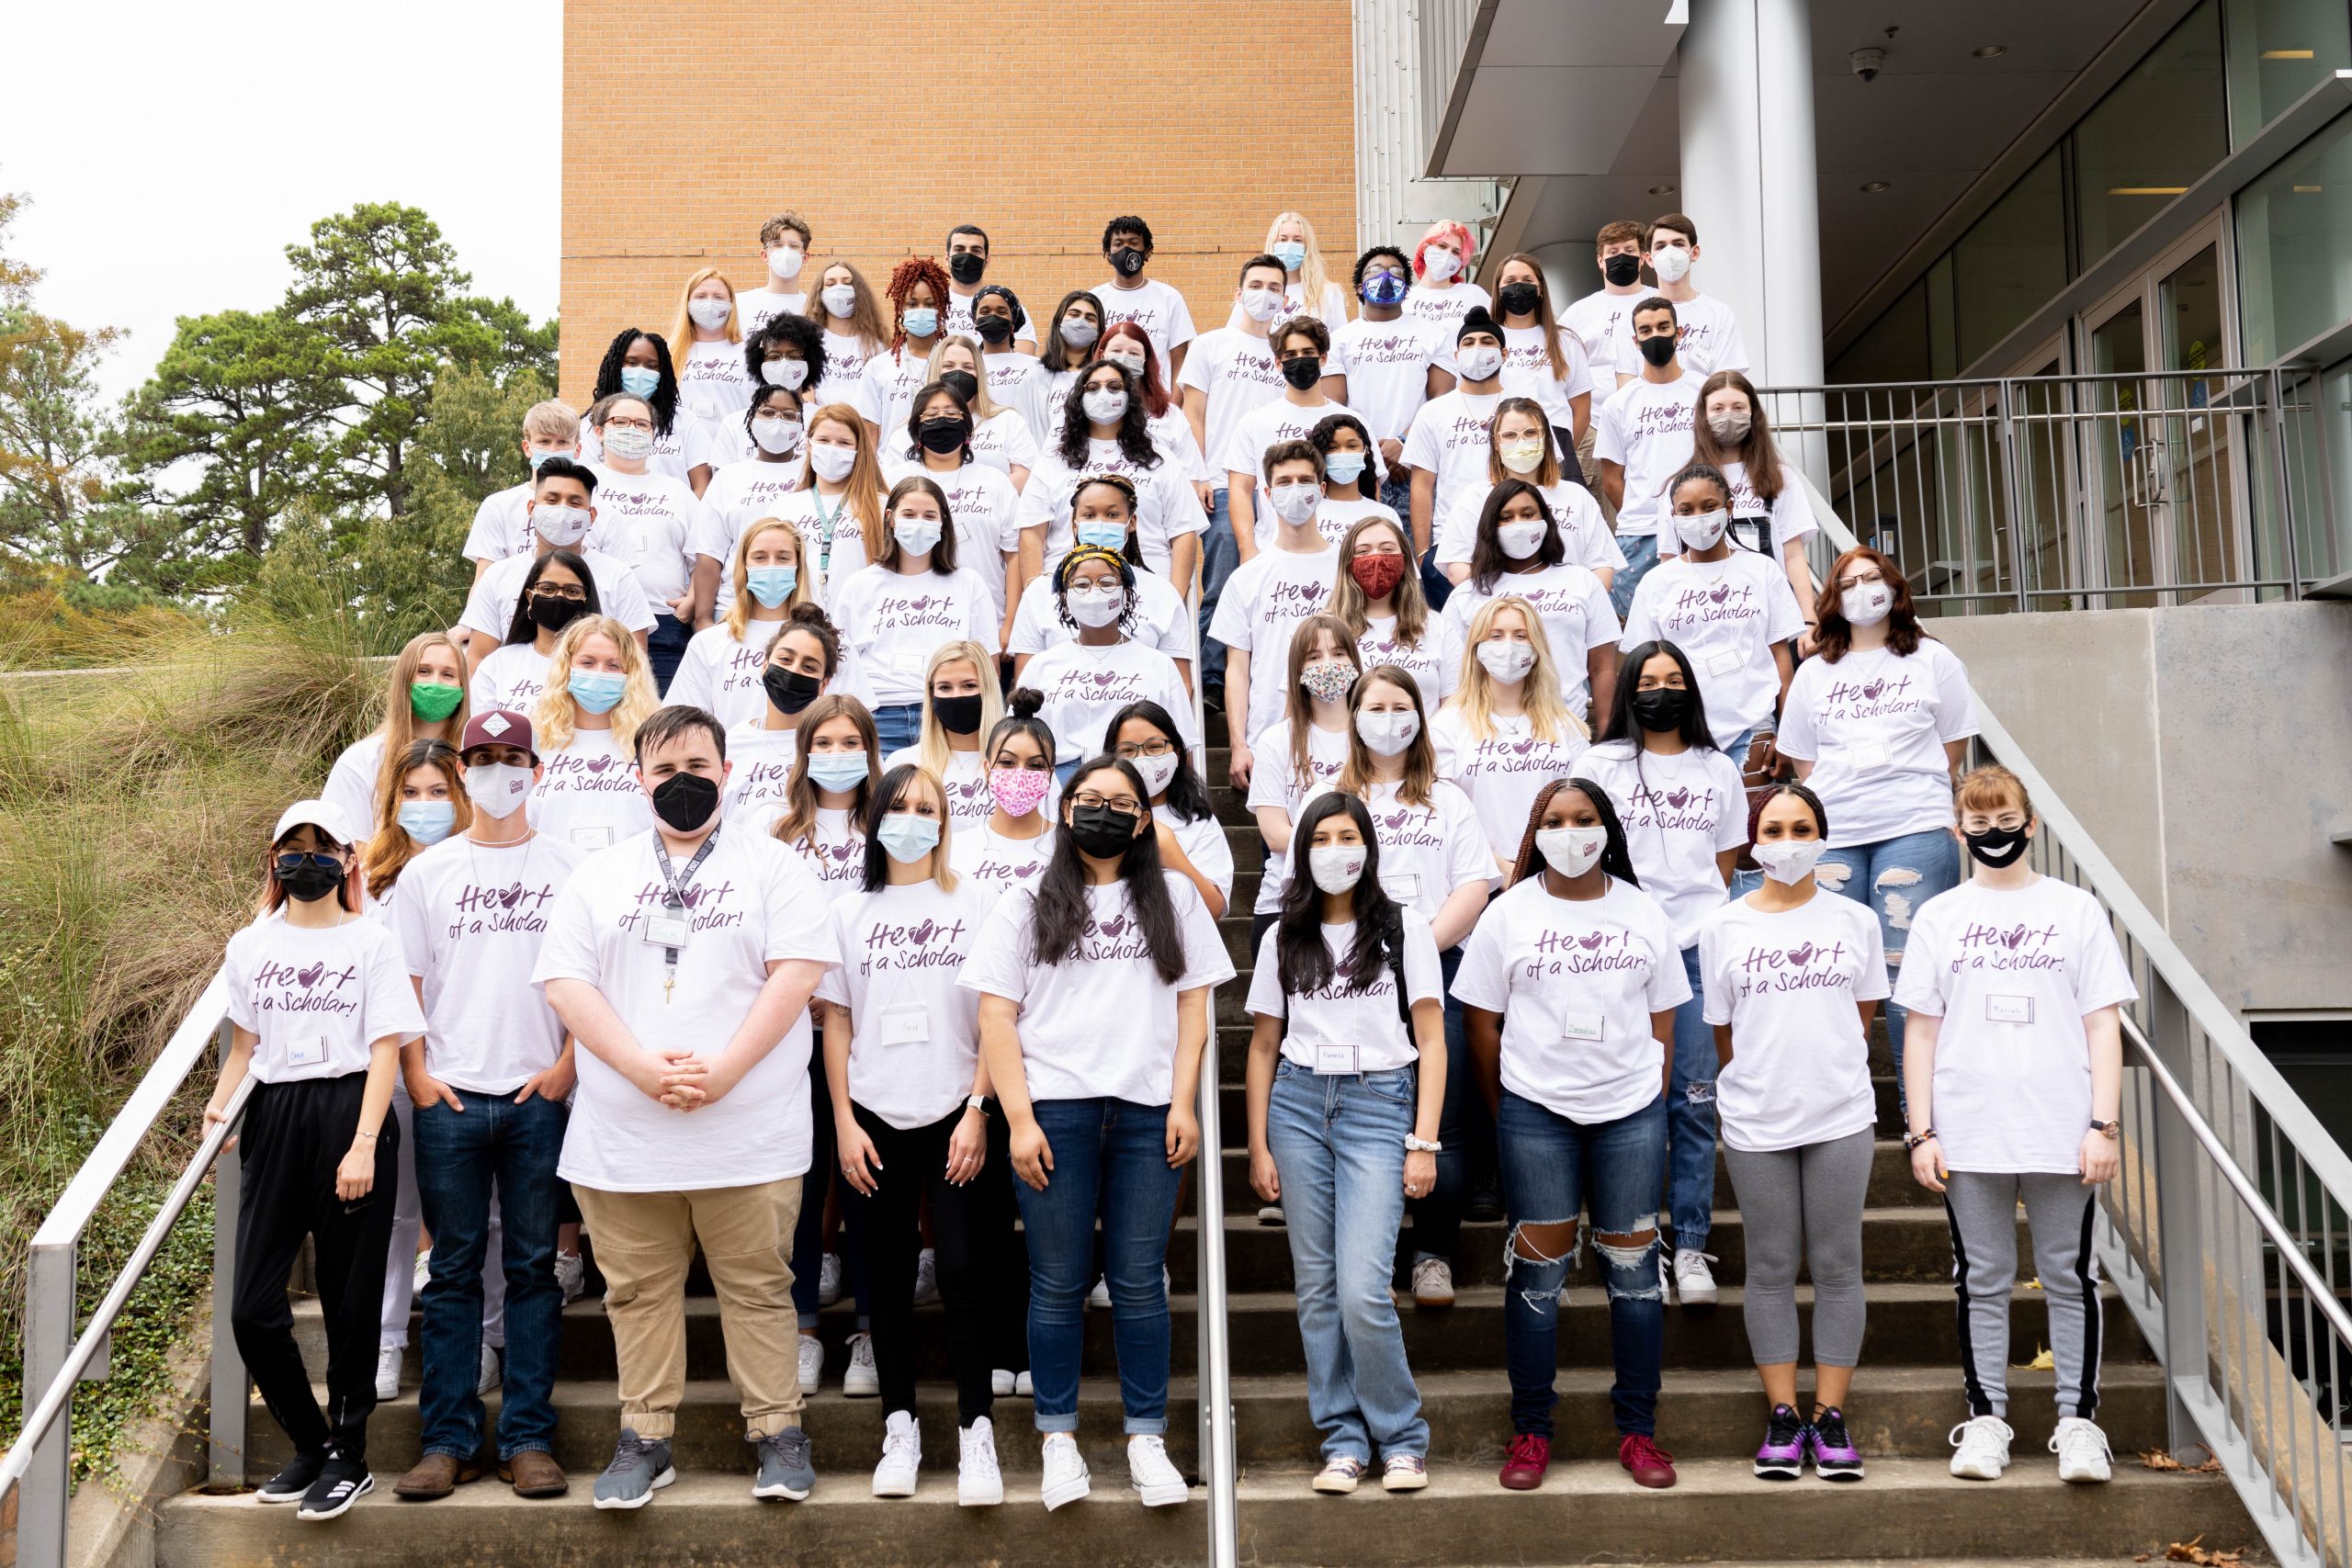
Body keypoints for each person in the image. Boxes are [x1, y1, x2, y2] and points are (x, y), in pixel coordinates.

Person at [535, 705, 838, 1508]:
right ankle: (646, 1437)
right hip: (625, 1136)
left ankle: (777, 1431)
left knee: (759, 1289)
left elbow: (797, 973)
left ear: (728, 772)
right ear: (639, 779)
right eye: (665, 770)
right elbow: (566, 982)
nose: (682, 783)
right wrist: (640, 1067)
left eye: (698, 767)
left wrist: (727, 1070)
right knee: (635, 1292)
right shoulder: (598, 876)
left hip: (752, 1132)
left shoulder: (776, 867)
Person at [963, 753, 1234, 1509]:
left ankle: (1145, 1438)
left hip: (1149, 1113)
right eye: (1088, 798)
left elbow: (1192, 1011)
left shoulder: (1176, 897)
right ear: (1064, 809)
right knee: (1056, 1282)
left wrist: (1183, 1103)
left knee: (1140, 1282)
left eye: (1120, 801)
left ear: (1144, 817)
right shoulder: (1024, 901)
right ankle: (1058, 1440)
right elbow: (995, 1016)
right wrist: (1016, 1118)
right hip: (1057, 1112)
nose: (1103, 811)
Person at [1896, 764, 2134, 1486]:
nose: (1994, 835)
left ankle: (2079, 1422)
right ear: (1958, 831)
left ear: (2031, 826)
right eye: (1979, 824)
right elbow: (1920, 1034)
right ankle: (1987, 1419)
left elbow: (2103, 1024)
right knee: (1982, 1277)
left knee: (2071, 1274)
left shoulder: (2076, 910)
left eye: (2007, 823)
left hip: (2063, 1128)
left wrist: (2104, 1123)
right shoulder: (1939, 916)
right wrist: (1921, 1131)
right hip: (1969, 1130)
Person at [1453, 777, 1687, 1494]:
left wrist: (1643, 1089)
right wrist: (1512, 1107)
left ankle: (1639, 1431)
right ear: (1536, 830)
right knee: (1537, 1277)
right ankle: (1531, 1430)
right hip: (1536, 1115)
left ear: (1607, 828)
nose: (1570, 830)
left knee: (1635, 1275)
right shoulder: (1507, 913)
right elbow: (1481, 1022)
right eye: (1554, 820)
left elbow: (1665, 1022)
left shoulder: (1643, 910)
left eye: (1584, 818)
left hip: (1629, 1115)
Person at [206, 798, 424, 1521]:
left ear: (349, 859)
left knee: (350, 1298)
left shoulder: (373, 941)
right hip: (275, 1116)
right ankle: (310, 1438)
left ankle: (350, 1455)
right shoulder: (250, 944)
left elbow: (388, 1045)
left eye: (321, 846)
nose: (307, 859)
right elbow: (244, 1047)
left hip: (349, 1109)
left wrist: (364, 1142)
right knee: (251, 1308)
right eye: (292, 848)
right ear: (274, 861)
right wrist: (220, 1104)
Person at [389, 709, 582, 1505]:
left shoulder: (571, 868)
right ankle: (449, 1439)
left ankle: (529, 1437)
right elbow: (400, 985)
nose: (498, 769)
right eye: (484, 757)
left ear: (534, 770)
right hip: (452, 1098)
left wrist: (569, 1065)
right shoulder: (428, 874)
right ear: (461, 770)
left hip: (538, 1093)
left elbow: (590, 980)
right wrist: (420, 1075)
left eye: (513, 756)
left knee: (535, 1271)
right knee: (456, 1270)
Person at [1243, 792, 1444, 1495]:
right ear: (1302, 850)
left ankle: (1401, 1436)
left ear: (1368, 845)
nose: (1334, 848)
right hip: (1298, 1105)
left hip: (1379, 1103)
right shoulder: (1280, 935)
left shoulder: (1401, 927)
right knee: (1317, 1289)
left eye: (1347, 834)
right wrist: (1258, 1144)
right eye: (1320, 837)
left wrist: (1424, 1141)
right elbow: (1263, 1044)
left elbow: (1432, 1039)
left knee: (1363, 1288)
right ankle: (1343, 1437)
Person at [819, 761, 1008, 1505]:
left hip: (956, 1112)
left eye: (927, 807)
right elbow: (837, 1019)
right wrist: (840, 1120)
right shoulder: (846, 912)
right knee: (884, 1279)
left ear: (944, 820)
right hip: (871, 1115)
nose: (913, 820)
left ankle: (976, 1436)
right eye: (898, 807)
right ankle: (900, 1426)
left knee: (961, 1270)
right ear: (872, 820)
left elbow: (998, 1012)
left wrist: (979, 1109)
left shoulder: (977, 901)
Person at [1697, 783, 1885, 1483]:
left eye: (1801, 826)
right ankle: (1783, 1416)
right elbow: (1724, 1028)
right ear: (1752, 840)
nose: (1787, 839)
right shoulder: (1724, 927)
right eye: (1772, 828)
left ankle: (1830, 1417)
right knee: (1771, 1265)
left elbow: (1861, 1016)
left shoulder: (1856, 921)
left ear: (1823, 835)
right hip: (1756, 1117)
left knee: (1838, 1262)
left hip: (1840, 1113)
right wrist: (1758, 1080)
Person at [1571, 641, 1748, 1306]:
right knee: (1632, 1103)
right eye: (1649, 679)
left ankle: (1693, 1245)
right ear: (1629, 691)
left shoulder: (1718, 769)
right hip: (1620, 953)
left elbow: (1722, 863)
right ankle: (1635, 1239)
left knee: (1694, 1105)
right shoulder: (1601, 764)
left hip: (1699, 952)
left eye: (1675, 679)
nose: (1662, 689)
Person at [1311, 667, 1489, 1309]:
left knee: (1441, 1118)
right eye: (1374, 706)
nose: (1387, 717)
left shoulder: (1449, 798)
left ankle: (1433, 1253)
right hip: (1346, 983)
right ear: (1352, 715)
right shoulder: (1326, 799)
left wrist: (1418, 950)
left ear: (1420, 715)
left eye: (1400, 705)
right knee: (1364, 1118)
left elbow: (1474, 884)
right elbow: (1304, 891)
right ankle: (1373, 1252)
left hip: (1435, 972)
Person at [1777, 547, 1977, 1096]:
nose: (1862, 589)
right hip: (1835, 836)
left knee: (1904, 974)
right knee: (1833, 972)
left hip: (1913, 826)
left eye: (1872, 578)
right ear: (1832, 600)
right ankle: (1833, 1101)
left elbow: (1951, 747)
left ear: (1894, 586)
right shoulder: (1814, 673)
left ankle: (1924, 1117)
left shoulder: (1934, 661)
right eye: (1848, 582)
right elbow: (1804, 762)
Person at [1621, 463, 1803, 776]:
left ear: (1729, 508)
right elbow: (1641, 667)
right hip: (1679, 728)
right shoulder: (1657, 582)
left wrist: (1787, 733)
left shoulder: (1763, 570)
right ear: (1673, 516)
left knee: (1751, 823)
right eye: (1686, 510)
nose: (1699, 518)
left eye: (1709, 507)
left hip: (1754, 726)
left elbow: (1780, 658)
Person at [1178, 254, 1292, 695]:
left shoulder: (1286, 352)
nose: (1265, 293)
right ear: (1239, 293)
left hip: (1280, 488)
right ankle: (1210, 679)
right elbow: (1194, 413)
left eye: (1275, 287)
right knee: (1223, 581)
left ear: (1284, 297)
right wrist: (1198, 473)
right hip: (1224, 483)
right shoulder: (1211, 345)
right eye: (1257, 284)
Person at [829, 475, 1001, 755]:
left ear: (943, 521)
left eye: (929, 515)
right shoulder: (859, 585)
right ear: (891, 518)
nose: (919, 522)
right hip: (878, 717)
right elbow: (841, 663)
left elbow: (988, 662)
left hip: (946, 715)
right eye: (909, 514)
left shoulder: (969, 583)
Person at [1213, 440, 1341, 783]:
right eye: (1284, 482)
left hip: (1341, 738)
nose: (1295, 490)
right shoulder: (1246, 577)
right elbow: (1237, 670)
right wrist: (1238, 745)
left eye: (1305, 480)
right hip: (1269, 742)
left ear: (1322, 489)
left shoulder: (1347, 569)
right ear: (1267, 494)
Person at [1432, 596, 1591, 874]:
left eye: (1521, 636)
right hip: (1479, 878)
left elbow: (1584, 809)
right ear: (1476, 647)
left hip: (1556, 874)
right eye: (1496, 636)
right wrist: (1496, 867)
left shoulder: (1566, 726)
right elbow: (1443, 814)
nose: (1508, 645)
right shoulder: (1446, 726)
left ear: (1537, 647)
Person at [1440, 479, 1622, 720]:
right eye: (1506, 517)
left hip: (1567, 729)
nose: (1519, 525)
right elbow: (1453, 680)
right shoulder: (1466, 595)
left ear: (1545, 521)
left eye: (1528, 514)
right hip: (1488, 735)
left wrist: (1606, 737)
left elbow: (1602, 668)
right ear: (1490, 527)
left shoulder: (1582, 582)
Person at [1023, 360, 1206, 596]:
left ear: (1129, 396)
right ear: (1079, 397)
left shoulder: (1161, 459)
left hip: (1149, 590)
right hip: (1068, 590)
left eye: (1113, 386)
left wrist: (1173, 599)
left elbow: (1183, 533)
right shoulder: (1053, 460)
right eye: (1093, 387)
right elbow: (1031, 531)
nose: (1103, 394)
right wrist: (1038, 597)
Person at [456, 458, 654, 671]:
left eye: (574, 503)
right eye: (552, 500)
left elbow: (635, 661)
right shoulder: (498, 575)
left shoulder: (618, 577)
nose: (562, 510)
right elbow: (478, 659)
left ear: (592, 516)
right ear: (532, 509)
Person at [1019, 547, 1196, 782]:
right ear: (1064, 597)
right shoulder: (1041, 666)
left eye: (1107, 583)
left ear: (1126, 594)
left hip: (1135, 781)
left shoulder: (1159, 665)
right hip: (1059, 784)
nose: (1095, 592)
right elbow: (1018, 737)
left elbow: (1183, 746)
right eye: (1081, 585)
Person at [1243, 616, 1363, 945]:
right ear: (1298, 669)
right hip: (1287, 903)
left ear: (1355, 662)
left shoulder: (1375, 736)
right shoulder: (1275, 741)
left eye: (1339, 654)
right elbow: (1275, 836)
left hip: (1363, 903)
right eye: (1314, 657)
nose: (1328, 664)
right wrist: (1343, 846)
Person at [1007, 475, 1195, 683]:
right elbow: (1026, 684)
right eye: (1089, 515)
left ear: (1131, 522)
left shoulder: (1162, 592)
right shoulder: (1041, 591)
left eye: (1112, 514)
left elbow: (1180, 684)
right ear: (1075, 524)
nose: (1100, 523)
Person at [1591, 297, 1708, 616]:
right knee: (1638, 631)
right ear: (1635, 340)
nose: (1655, 334)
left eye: (1663, 327)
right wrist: (1644, 511)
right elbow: (1612, 478)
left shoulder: (1704, 392)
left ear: (1678, 332)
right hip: (1639, 532)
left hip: (1699, 525)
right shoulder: (1618, 404)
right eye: (1646, 330)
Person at [1220, 317, 1376, 551]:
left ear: (1323, 358)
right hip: (1272, 549)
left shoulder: (1352, 421)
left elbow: (1370, 486)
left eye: (1307, 352)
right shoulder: (1254, 422)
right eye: (1291, 355)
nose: (1299, 360)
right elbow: (1241, 490)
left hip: (1343, 552)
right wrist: (1247, 550)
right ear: (1278, 362)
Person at [1688, 369, 1822, 639]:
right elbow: (1671, 559)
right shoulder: (1682, 483)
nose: (1728, 415)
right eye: (1718, 408)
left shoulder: (1781, 477)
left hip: (1771, 613)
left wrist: (1808, 620)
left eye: (1738, 407)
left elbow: (1793, 555)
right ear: (1703, 416)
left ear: (1753, 414)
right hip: (1705, 615)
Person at [1436, 397, 1623, 592]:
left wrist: (1574, 603)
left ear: (1545, 437)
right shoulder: (1475, 498)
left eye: (1530, 433)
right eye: (1510, 435)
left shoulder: (1577, 496)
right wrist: (1500, 605)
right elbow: (1457, 567)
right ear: (1496, 441)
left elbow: (1601, 565)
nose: (1521, 442)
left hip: (1567, 610)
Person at [587, 394, 707, 690]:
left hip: (666, 625)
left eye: (642, 424)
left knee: (663, 722)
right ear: (600, 431)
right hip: (598, 623)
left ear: (654, 434)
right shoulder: (584, 483)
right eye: (621, 422)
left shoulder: (676, 490)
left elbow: (703, 554)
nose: (632, 429)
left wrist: (692, 600)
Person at [880, 369, 1030, 594]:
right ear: (917, 429)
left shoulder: (996, 481)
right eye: (931, 415)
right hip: (909, 608)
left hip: (988, 613)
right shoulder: (893, 480)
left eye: (952, 414)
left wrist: (1009, 623)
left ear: (967, 426)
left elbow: (1014, 555)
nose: (942, 421)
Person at [1328, 247, 1445, 524]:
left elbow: (1442, 400)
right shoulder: (1340, 339)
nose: (1386, 277)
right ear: (1360, 286)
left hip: (1416, 466)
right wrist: (1370, 454)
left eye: (1395, 273)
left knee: (1414, 559)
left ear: (1406, 287)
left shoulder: (1433, 334)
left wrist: (1405, 443)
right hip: (1359, 468)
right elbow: (1333, 407)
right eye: (1376, 271)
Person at [525, 615, 659, 852]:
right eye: (587, 663)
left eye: (613, 665)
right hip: (551, 878)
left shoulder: (655, 743)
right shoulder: (533, 740)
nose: (600, 672)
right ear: (566, 667)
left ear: (631, 672)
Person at [323, 631, 471, 844]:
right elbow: (345, 848)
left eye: (448, 674)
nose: (435, 683)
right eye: (424, 671)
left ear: (462, 686)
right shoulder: (362, 760)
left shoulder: (477, 760)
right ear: (404, 680)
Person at [1400, 309, 1518, 572]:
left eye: (1487, 342)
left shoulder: (1525, 407)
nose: (1477, 349)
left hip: (1514, 537)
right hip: (1452, 545)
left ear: (1504, 354)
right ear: (1456, 356)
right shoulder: (1433, 412)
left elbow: (1545, 474)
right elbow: (1421, 485)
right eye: (1468, 342)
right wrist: (1423, 554)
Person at [670, 519, 817, 728]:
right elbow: (685, 723)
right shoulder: (708, 643)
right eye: (760, 557)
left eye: (783, 558)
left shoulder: (824, 641)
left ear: (798, 566)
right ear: (744, 566)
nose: (772, 566)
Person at [1107, 699, 1231, 918]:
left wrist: (1169, 851)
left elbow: (1215, 908)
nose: (1141, 759)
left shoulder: (1198, 822)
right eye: (1127, 750)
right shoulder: (1095, 816)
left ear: (1178, 753)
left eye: (1154, 747)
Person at [724, 603, 840, 833]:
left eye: (809, 667)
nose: (794, 671)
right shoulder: (731, 742)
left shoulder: (837, 745)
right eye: (786, 660)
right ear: (765, 665)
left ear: (823, 684)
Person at [1329, 513, 1458, 709]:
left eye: (1387, 549)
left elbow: (1454, 705)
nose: (1376, 558)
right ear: (1348, 562)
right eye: (1363, 551)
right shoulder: (1327, 630)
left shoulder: (1438, 627)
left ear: (1405, 560)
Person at [696, 381, 813, 597]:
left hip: (802, 600)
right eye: (767, 413)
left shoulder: (814, 473)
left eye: (789, 416)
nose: (777, 422)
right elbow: (709, 553)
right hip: (734, 602)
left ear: (801, 426)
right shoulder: (728, 477)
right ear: (751, 422)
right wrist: (703, 619)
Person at [1605, 215, 1750, 380]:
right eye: (1660, 246)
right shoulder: (1630, 317)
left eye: (1678, 244)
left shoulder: (1719, 314)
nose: (1669, 252)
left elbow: (1726, 383)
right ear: (1649, 259)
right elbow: (1626, 385)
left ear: (1694, 253)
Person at [884, 640, 1006, 837]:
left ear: (988, 689)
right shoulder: (903, 763)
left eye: (969, 686)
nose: (957, 696)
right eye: (945, 688)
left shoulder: (1015, 765)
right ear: (931, 694)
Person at [951, 691, 1060, 899]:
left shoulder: (1067, 846)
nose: (1020, 774)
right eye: (1007, 762)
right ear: (987, 768)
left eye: (1035, 765)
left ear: (1050, 774)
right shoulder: (956, 849)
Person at [769, 693, 881, 897]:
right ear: (805, 749)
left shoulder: (889, 821)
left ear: (869, 748)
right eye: (823, 743)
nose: (836, 753)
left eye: (850, 743)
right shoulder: (773, 820)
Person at [1492, 252, 1595, 463]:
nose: (1519, 286)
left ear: (1540, 288)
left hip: (1555, 457)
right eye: (1510, 281)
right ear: (1499, 290)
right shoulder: (1486, 340)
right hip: (1502, 455)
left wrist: (1561, 455)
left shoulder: (1565, 340)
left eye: (1527, 280)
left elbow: (1582, 411)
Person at [469, 551, 600, 716]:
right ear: (530, 597)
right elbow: (479, 730)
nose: (559, 597)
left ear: (586, 599)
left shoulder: (603, 667)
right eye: (547, 589)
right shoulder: (497, 664)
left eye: (572, 591)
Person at [461, 400, 583, 577]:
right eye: (544, 441)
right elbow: (484, 579)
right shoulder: (498, 506)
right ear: (527, 448)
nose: (553, 450)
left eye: (563, 442)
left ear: (577, 449)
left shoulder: (596, 509)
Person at [787, 403, 893, 602]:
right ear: (809, 445)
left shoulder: (882, 506)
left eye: (844, 443)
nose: (832, 449)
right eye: (823, 440)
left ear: (859, 449)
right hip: (801, 625)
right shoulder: (786, 507)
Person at [580, 329, 698, 486]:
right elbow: (584, 482)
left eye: (651, 365)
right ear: (616, 365)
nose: (641, 371)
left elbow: (701, 484)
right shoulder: (591, 423)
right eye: (632, 362)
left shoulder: (684, 420)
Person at [856, 256, 952, 442]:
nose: (921, 310)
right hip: (892, 467)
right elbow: (869, 429)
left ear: (941, 308)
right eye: (912, 304)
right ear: (900, 309)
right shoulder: (878, 367)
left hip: (943, 465)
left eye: (930, 304)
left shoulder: (953, 363)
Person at [1094, 214, 1197, 378]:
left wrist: (1172, 403)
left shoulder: (1169, 298)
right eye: (1118, 244)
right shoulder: (1095, 299)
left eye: (1134, 243)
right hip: (1107, 396)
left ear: (1147, 252)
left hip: (1157, 399)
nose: (1126, 249)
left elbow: (1181, 362)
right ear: (1108, 253)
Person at [1560, 220, 1650, 399]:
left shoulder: (1661, 303)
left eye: (1629, 251)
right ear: (1601, 261)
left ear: (1642, 259)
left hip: (1652, 415)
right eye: (1613, 252)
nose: (1621, 257)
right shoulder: (1577, 313)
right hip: (1592, 420)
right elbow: (1560, 366)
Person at [669, 267, 753, 439]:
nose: (709, 303)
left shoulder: (749, 353)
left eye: (718, 297)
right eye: (701, 296)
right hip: (682, 453)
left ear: (731, 304)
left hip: (733, 452)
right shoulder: (670, 352)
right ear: (688, 302)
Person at [1306, 411, 1403, 547]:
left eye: (1352, 446)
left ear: (1365, 452)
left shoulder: (1385, 514)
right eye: (1333, 447)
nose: (1343, 453)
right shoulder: (1306, 513)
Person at [1029, 288, 1107, 438]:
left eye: (1090, 318)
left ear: (1099, 329)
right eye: (1074, 314)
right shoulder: (1038, 374)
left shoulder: (1107, 375)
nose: (1080, 322)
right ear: (1059, 320)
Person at [942, 224, 1035, 348]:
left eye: (976, 251)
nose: (967, 256)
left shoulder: (1009, 306)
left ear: (987, 261)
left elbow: (1022, 358)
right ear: (946, 258)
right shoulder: (930, 304)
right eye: (959, 250)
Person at [811, 260, 890, 407]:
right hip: (821, 425)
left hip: (863, 426)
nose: (839, 288)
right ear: (820, 294)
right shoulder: (810, 341)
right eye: (830, 284)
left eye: (847, 283)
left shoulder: (877, 344)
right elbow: (806, 391)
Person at [1260, 210, 1351, 333]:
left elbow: (1339, 344)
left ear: (1307, 246)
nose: (1289, 245)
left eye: (1297, 240)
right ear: (1273, 244)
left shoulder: (1328, 293)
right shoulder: (1255, 292)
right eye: (1283, 239)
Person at [1401, 220, 1489, 345]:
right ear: (1426, 248)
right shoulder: (1404, 299)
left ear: (1461, 261)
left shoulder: (1474, 294)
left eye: (1455, 252)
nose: (1447, 254)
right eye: (1442, 246)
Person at [972, 285, 1045, 418]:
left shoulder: (1036, 367)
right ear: (975, 321)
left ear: (1013, 324)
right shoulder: (969, 367)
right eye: (985, 311)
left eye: (1001, 312)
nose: (992, 317)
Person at [738, 210, 813, 332]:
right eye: (778, 245)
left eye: (793, 246)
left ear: (805, 257)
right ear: (764, 255)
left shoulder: (814, 308)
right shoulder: (740, 304)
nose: (786, 251)